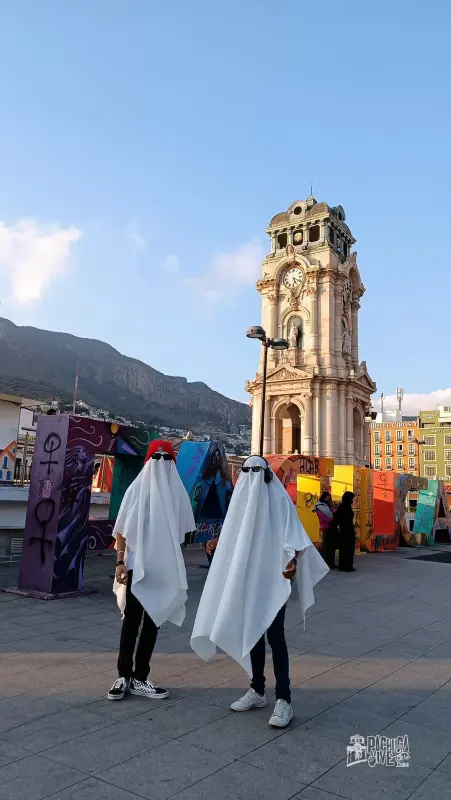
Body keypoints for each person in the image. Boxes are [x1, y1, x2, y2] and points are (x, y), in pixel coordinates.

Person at [191, 455, 329, 728]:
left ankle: (284, 699)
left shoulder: (278, 501)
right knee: (252, 634)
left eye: (256, 471)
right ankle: (257, 689)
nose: (252, 477)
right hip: (247, 579)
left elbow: (298, 539)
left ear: (265, 475)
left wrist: (292, 562)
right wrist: (218, 541)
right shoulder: (241, 500)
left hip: (272, 580)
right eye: (247, 471)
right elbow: (235, 531)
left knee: (275, 637)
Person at [108, 439, 195, 701]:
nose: (161, 464)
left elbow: (179, 536)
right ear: (148, 461)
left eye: (166, 459)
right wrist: (120, 562)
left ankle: (140, 677)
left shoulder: (177, 494)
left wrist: (177, 569)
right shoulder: (137, 490)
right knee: (132, 622)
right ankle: (123, 675)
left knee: (153, 622)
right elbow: (122, 529)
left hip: (164, 568)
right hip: (137, 567)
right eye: (156, 458)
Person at [334, 491, 356, 572]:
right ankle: (344, 565)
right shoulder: (342, 507)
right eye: (351, 499)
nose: (352, 500)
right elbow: (337, 518)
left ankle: (349, 565)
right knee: (344, 548)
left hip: (349, 529)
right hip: (344, 530)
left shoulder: (348, 506)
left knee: (350, 548)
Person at [313, 492, 336, 569]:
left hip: (332, 527)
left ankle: (331, 563)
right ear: (323, 498)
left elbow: (334, 513)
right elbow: (322, 518)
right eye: (326, 498)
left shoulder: (329, 506)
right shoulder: (319, 506)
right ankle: (325, 563)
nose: (327, 500)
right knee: (326, 546)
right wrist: (332, 519)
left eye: (329, 498)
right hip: (325, 527)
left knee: (332, 546)